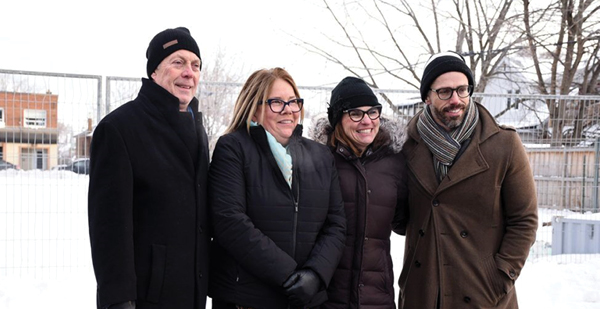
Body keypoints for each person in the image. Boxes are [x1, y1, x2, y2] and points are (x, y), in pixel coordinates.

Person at [398, 51, 538, 309]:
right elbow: (400, 219)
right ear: (427, 97)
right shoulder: (407, 147)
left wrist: (501, 275)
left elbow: (524, 220)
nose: (456, 99)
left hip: (482, 292)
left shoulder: (504, 144)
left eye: (462, 90)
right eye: (445, 92)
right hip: (423, 290)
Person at [88, 27, 210, 309]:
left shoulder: (196, 127)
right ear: (154, 72)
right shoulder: (119, 128)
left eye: (195, 65)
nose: (189, 72)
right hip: (146, 296)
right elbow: (108, 228)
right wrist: (118, 300)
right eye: (177, 62)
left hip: (193, 291)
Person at [208, 67, 347, 308]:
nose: (289, 110)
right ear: (255, 106)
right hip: (247, 299)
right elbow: (230, 221)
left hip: (306, 300)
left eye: (293, 102)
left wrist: (315, 275)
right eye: (276, 102)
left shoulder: (321, 156)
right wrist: (290, 276)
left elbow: (335, 224)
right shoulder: (234, 148)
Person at [311, 76, 409, 308]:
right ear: (338, 120)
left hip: (377, 298)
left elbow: (403, 222)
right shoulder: (320, 160)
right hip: (327, 296)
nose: (366, 121)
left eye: (372, 112)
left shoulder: (395, 162)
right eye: (355, 113)